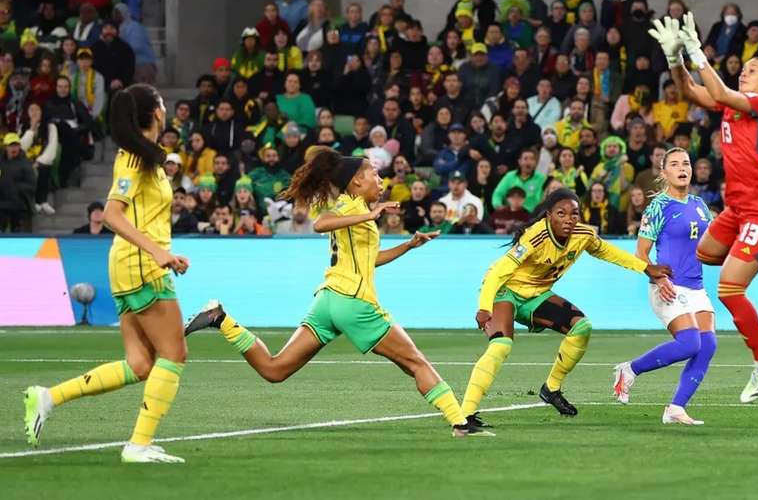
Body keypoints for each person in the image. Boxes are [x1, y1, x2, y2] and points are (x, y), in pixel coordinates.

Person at [184, 147, 489, 437]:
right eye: (375, 174)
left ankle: (220, 318)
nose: (381, 181)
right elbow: (321, 223)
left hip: (328, 301)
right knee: (416, 363)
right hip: (354, 303)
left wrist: (408, 245)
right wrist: (370, 216)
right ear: (357, 180)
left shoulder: (356, 211)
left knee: (275, 370)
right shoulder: (349, 207)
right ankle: (461, 423)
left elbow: (369, 261)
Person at [24, 84, 191, 463]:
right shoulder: (133, 157)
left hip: (131, 262)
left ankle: (47, 397)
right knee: (174, 353)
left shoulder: (145, 155)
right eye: (163, 103)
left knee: (140, 364)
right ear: (156, 113)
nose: (166, 108)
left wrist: (162, 251)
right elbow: (113, 216)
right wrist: (158, 252)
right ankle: (138, 445)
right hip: (140, 263)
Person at [650, 13, 758, 404]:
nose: (745, 72)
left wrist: (696, 51)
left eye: (753, 70)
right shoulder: (730, 108)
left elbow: (718, 92)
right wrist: (676, 60)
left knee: (729, 288)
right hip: (737, 208)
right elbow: (689, 92)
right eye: (745, 68)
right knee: (705, 253)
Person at [460, 188, 673, 424]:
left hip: (536, 295)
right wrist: (484, 306)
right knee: (501, 346)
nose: (569, 219)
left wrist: (646, 268)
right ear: (549, 215)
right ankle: (466, 414)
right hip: (504, 290)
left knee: (581, 327)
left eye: (574, 214)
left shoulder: (583, 235)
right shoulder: (535, 236)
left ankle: (551, 388)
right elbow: (500, 271)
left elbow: (608, 252)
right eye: (561, 213)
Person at [613, 147, 716, 425]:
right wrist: (659, 278)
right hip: (668, 286)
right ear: (664, 172)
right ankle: (630, 370)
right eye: (674, 164)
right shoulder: (658, 206)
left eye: (686, 163)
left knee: (707, 345)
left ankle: (675, 408)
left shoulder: (700, 205)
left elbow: (712, 245)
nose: (682, 168)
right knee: (689, 342)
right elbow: (641, 254)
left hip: (696, 287)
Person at [0, 132, 35, 231]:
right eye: (11, 145)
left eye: (16, 145)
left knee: (20, 236)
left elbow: (31, 185)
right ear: (5, 147)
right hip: (2, 205)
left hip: (20, 206)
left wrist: (14, 188)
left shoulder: (25, 163)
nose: (14, 148)